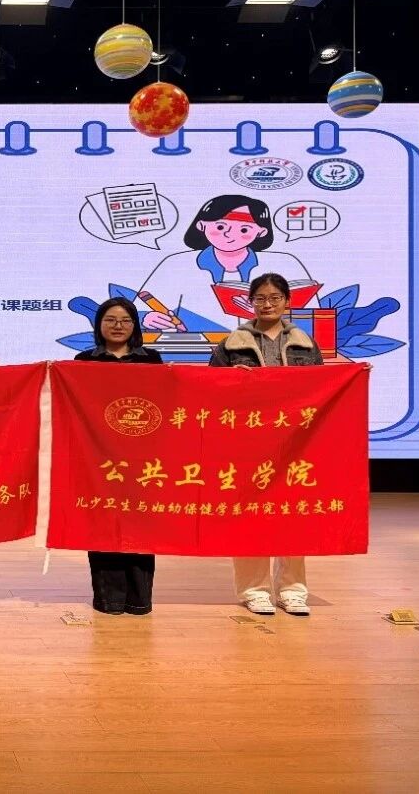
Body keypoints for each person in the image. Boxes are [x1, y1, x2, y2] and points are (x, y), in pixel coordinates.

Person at [209, 272, 322, 617]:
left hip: (294, 443)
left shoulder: (305, 343)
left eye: (274, 298)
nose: (267, 304)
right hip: (248, 443)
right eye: (260, 298)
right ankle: (254, 590)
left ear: (288, 301)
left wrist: (357, 375)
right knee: (250, 517)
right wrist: (233, 382)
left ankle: (292, 590)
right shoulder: (232, 344)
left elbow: (323, 388)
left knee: (292, 514)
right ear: (250, 302)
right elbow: (210, 390)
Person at [74, 296, 162, 615]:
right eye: (110, 320)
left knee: (140, 524)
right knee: (103, 523)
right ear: (99, 324)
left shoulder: (151, 360)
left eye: (125, 320)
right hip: (98, 456)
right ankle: (108, 599)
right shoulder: (84, 360)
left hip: (142, 457)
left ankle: (139, 599)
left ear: (135, 325)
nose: (118, 326)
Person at [139, 195, 318, 333]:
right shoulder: (176, 263)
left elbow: (314, 318)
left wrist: (266, 311)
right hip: (199, 351)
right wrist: (146, 318)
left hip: (270, 350)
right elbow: (139, 309)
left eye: (244, 229)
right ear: (202, 225)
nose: (229, 235)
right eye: (220, 227)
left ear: (261, 232)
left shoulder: (285, 262)